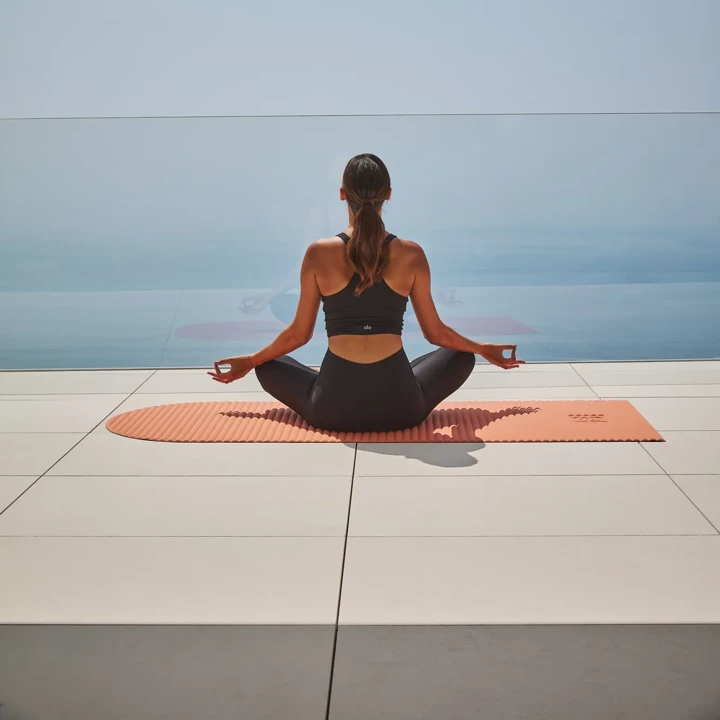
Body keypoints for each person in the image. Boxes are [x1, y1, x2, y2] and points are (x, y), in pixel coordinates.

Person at [209, 153, 523, 432]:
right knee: (461, 353)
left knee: (267, 364)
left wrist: (250, 360)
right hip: (402, 410)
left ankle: (297, 374)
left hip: (331, 410)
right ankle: (403, 376)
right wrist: (483, 349)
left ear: (343, 195)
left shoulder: (318, 252)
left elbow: (298, 335)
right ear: (388, 195)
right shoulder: (412, 253)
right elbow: (437, 334)